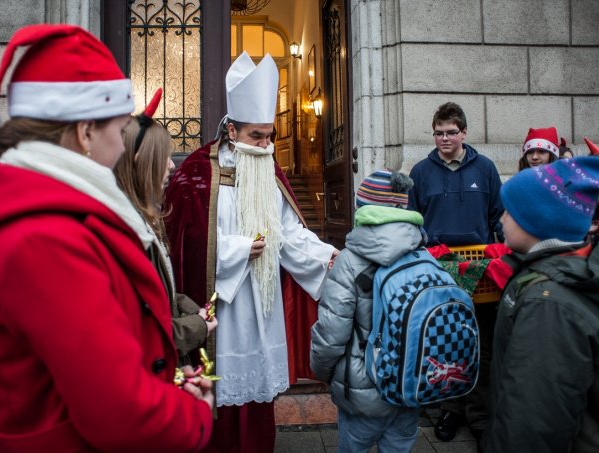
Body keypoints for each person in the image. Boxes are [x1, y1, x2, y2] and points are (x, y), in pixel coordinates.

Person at [0, 24, 213, 452]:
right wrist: (193, 415)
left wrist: (165, 384)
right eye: (118, 131)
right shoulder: (43, 238)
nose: (123, 150)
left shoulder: (53, 218)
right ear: (85, 131)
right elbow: (118, 410)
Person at [164, 51, 338, 453]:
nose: (265, 145)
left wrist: (331, 260)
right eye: (256, 136)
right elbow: (184, 242)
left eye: (269, 135)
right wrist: (241, 249)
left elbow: (289, 235)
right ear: (231, 131)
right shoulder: (195, 173)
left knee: (258, 400)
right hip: (220, 306)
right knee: (222, 394)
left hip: (261, 303)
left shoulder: (268, 168)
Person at [483, 156, 599, 453]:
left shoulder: (548, 304)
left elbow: (532, 423)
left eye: (510, 211)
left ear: (536, 220)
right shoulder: (548, 274)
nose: (501, 219)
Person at [407, 102, 503, 447]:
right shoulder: (421, 172)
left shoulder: (486, 169)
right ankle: (450, 410)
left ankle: (479, 415)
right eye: (438, 132)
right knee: (446, 342)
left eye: (451, 132)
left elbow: (499, 219)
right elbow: (413, 222)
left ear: (464, 133)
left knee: (482, 343)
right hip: (438, 269)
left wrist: (504, 255)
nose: (444, 138)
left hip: (480, 271)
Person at [310, 170, 423, 453]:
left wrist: (322, 372)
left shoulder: (349, 261)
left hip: (361, 387)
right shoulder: (422, 252)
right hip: (409, 383)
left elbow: (331, 333)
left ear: (364, 210)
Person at [114, 88, 217, 360]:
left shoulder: (145, 219)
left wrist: (180, 302)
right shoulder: (128, 232)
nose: (172, 166)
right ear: (142, 163)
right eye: (164, 157)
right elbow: (142, 331)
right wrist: (197, 327)